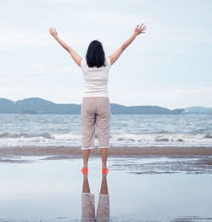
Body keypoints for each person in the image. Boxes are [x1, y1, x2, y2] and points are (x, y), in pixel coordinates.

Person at [49, 24, 147, 175]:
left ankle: (85, 166)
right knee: (104, 134)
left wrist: (56, 37)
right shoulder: (107, 63)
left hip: (88, 101)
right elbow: (122, 47)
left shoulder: (84, 64)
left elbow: (69, 49)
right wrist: (134, 34)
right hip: (103, 101)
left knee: (86, 133)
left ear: (88, 52)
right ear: (102, 52)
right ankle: (104, 166)